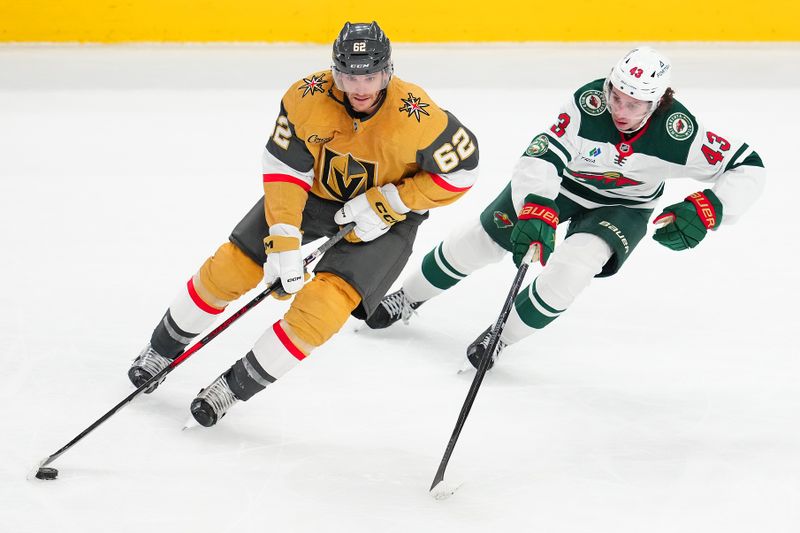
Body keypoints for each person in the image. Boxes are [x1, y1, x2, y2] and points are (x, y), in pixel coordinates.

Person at [127, 21, 479, 426]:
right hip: (316, 195)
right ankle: (160, 350)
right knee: (232, 266)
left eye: (370, 75)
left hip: (389, 218)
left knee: (323, 308)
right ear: (335, 72)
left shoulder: (418, 114)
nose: (360, 87)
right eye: (349, 75)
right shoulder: (305, 97)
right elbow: (285, 170)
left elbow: (462, 171)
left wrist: (393, 201)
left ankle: (230, 389)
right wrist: (283, 237)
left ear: (388, 72)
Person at [366, 46, 765, 369]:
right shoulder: (588, 103)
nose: (620, 111)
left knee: (574, 268)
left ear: (658, 102)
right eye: (617, 97)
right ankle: (408, 296)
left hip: (624, 206)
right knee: (481, 241)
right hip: (562, 186)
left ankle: (501, 336)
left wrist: (711, 206)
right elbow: (541, 155)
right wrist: (537, 203)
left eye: (634, 105)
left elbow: (749, 165)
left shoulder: (680, 134)